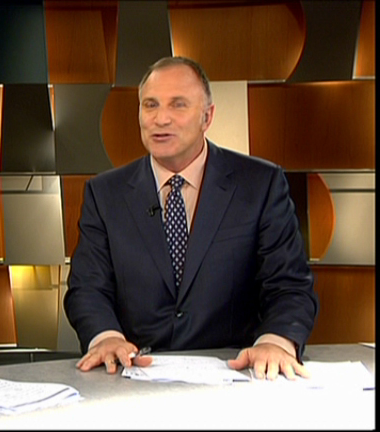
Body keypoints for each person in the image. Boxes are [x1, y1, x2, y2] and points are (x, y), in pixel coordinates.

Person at [64, 56, 319, 381]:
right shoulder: (105, 193)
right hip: (134, 374)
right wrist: (106, 337)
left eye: (178, 105)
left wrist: (275, 342)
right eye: (150, 105)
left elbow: (289, 285)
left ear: (207, 116)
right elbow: (87, 287)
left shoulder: (260, 185)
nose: (161, 118)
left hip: (236, 373)